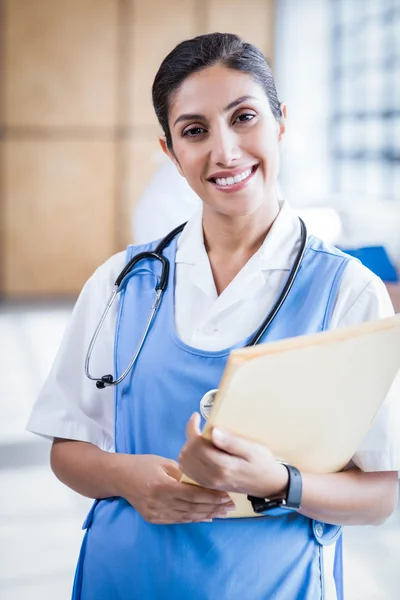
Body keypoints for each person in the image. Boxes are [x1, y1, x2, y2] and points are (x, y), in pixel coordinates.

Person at [26, 33, 399, 600]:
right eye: (195, 131)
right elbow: (68, 448)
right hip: (122, 580)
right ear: (171, 152)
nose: (224, 151)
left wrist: (279, 484)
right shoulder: (122, 281)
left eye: (244, 117)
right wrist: (127, 478)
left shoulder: (348, 292)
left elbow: (381, 495)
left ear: (281, 123)